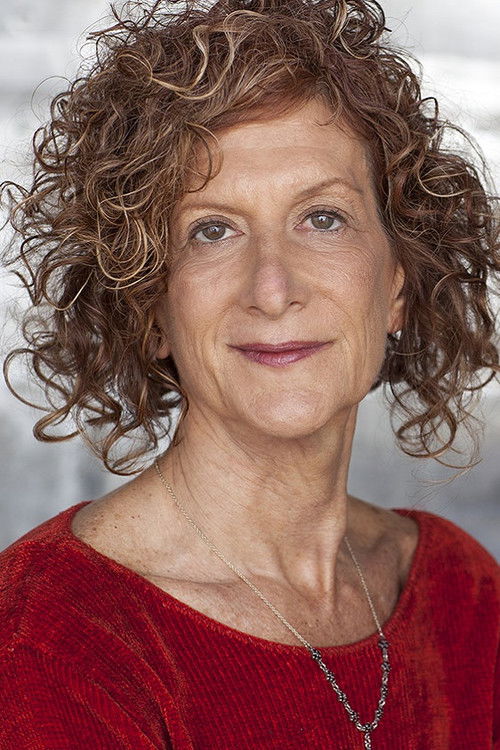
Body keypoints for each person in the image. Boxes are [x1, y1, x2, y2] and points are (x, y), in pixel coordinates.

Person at [0, 0, 499, 747]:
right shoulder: (52, 639)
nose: (272, 288)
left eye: (323, 218)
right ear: (150, 304)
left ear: (398, 280)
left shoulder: (462, 593)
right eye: (212, 230)